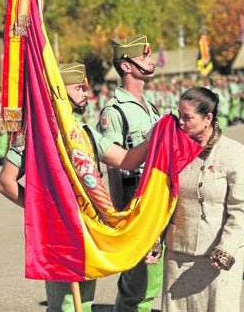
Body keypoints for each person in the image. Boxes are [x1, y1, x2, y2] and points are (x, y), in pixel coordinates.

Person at [0, 62, 150, 312]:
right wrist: (46, 211)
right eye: (79, 88)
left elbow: (126, 159)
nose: (85, 93)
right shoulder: (37, 137)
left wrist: (155, 138)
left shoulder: (86, 133)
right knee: (65, 306)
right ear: (59, 92)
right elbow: (6, 182)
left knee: (84, 303)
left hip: (88, 230)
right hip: (60, 234)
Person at [162, 87, 244, 312]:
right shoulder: (173, 150)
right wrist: (155, 239)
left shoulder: (233, 152)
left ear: (208, 118)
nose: (180, 122)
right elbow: (162, 200)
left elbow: (240, 208)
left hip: (218, 256)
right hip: (179, 255)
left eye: (187, 117)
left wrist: (226, 248)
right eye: (179, 115)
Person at [98, 35, 162, 312]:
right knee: (136, 284)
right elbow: (113, 163)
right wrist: (119, 214)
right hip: (133, 198)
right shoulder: (114, 111)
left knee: (153, 279)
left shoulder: (151, 106)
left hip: (156, 197)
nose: (151, 61)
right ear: (126, 66)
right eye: (144, 56)